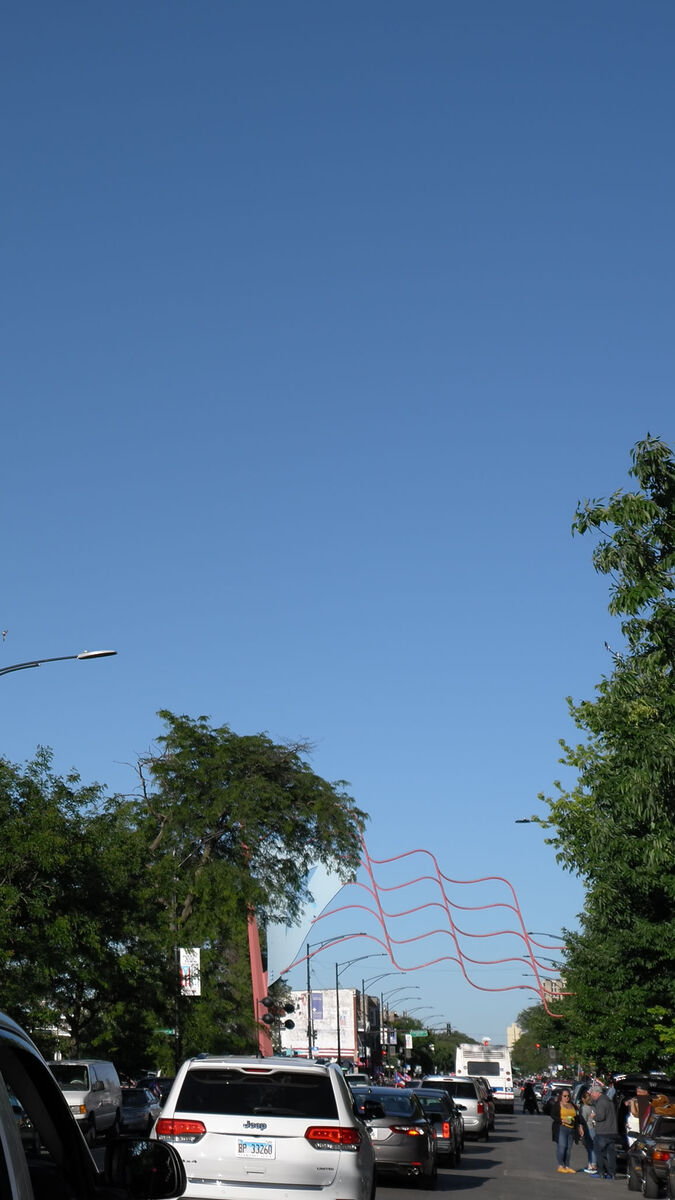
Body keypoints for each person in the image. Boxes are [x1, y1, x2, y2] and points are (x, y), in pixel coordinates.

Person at [589, 1082, 618, 1179]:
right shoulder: (609, 1101)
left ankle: (601, 1171)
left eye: (592, 1093)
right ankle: (612, 1173)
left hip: (603, 1132)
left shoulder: (601, 1102)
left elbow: (601, 1117)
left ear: (597, 1093)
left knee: (599, 1152)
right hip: (612, 1131)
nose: (591, 1096)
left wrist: (594, 1116)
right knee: (611, 1153)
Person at [550, 1088, 580, 1173]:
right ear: (561, 1096)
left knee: (568, 1148)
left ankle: (567, 1166)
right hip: (562, 1128)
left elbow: (577, 1117)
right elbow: (553, 1115)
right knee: (562, 1147)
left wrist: (579, 1126)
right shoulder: (558, 1104)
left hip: (571, 1129)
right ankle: (560, 1165)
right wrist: (562, 1120)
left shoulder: (572, 1105)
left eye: (568, 1096)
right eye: (565, 1096)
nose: (567, 1097)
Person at [579, 1089, 597, 1174]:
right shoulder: (593, 1107)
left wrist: (580, 1128)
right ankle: (591, 1164)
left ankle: (593, 1165)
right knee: (592, 1147)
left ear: (583, 1099)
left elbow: (583, 1120)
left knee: (590, 1148)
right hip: (594, 1129)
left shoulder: (584, 1108)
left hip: (588, 1129)